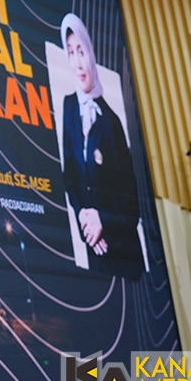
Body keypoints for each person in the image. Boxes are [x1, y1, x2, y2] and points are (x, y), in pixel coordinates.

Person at [59, 14, 143, 279]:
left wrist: (102, 221)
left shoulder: (112, 122)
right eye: (70, 52)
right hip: (95, 252)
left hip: (123, 254)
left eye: (81, 51)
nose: (77, 62)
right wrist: (86, 221)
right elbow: (70, 177)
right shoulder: (69, 107)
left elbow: (132, 206)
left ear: (91, 54)